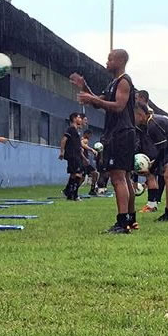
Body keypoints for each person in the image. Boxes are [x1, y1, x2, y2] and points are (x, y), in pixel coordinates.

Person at [70, 49, 136, 233]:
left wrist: (90, 97)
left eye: (110, 59)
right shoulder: (114, 83)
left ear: (120, 61)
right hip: (119, 133)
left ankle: (122, 223)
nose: (106, 62)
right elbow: (98, 101)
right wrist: (85, 87)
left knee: (118, 178)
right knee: (124, 177)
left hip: (121, 133)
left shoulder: (124, 81)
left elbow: (118, 106)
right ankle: (130, 219)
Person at [59, 113, 84, 201]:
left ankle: (69, 193)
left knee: (74, 175)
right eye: (79, 117)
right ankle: (75, 195)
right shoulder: (71, 129)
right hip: (72, 155)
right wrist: (62, 152)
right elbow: (63, 140)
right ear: (74, 119)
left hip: (76, 155)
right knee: (78, 174)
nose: (80, 119)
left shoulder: (77, 131)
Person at [81, 130, 100, 196]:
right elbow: (82, 144)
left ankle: (92, 190)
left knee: (95, 173)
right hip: (83, 161)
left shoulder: (85, 139)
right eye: (90, 135)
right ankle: (71, 190)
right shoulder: (84, 139)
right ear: (86, 134)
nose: (90, 137)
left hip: (86, 162)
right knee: (81, 178)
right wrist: (91, 150)